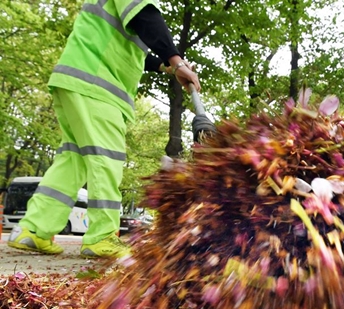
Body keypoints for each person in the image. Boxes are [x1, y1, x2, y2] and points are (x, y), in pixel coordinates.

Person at [8, 0, 201, 258]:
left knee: (73, 161)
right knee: (107, 157)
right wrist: (176, 61)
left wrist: (163, 65)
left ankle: (33, 229)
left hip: (77, 79)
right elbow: (146, 18)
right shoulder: (139, 6)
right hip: (98, 86)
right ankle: (101, 236)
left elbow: (127, 46)